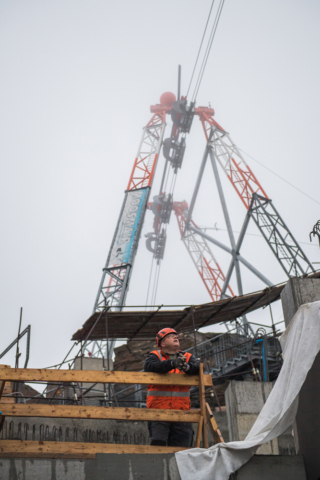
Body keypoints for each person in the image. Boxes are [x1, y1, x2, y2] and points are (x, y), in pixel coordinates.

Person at [144, 328, 200, 447]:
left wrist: (187, 368)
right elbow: (150, 367)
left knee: (182, 449)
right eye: (170, 336)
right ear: (162, 343)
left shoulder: (188, 357)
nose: (175, 337)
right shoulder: (154, 356)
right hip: (158, 411)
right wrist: (172, 363)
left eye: (176, 335)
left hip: (182, 411)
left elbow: (198, 368)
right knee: (158, 445)